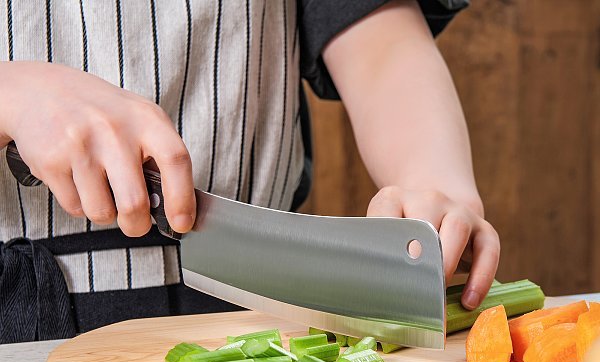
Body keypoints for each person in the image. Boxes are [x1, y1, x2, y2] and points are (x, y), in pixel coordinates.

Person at [0, 0, 500, 343]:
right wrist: (12, 94)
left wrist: (434, 184)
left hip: (276, 308)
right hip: (21, 324)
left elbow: (380, 45)